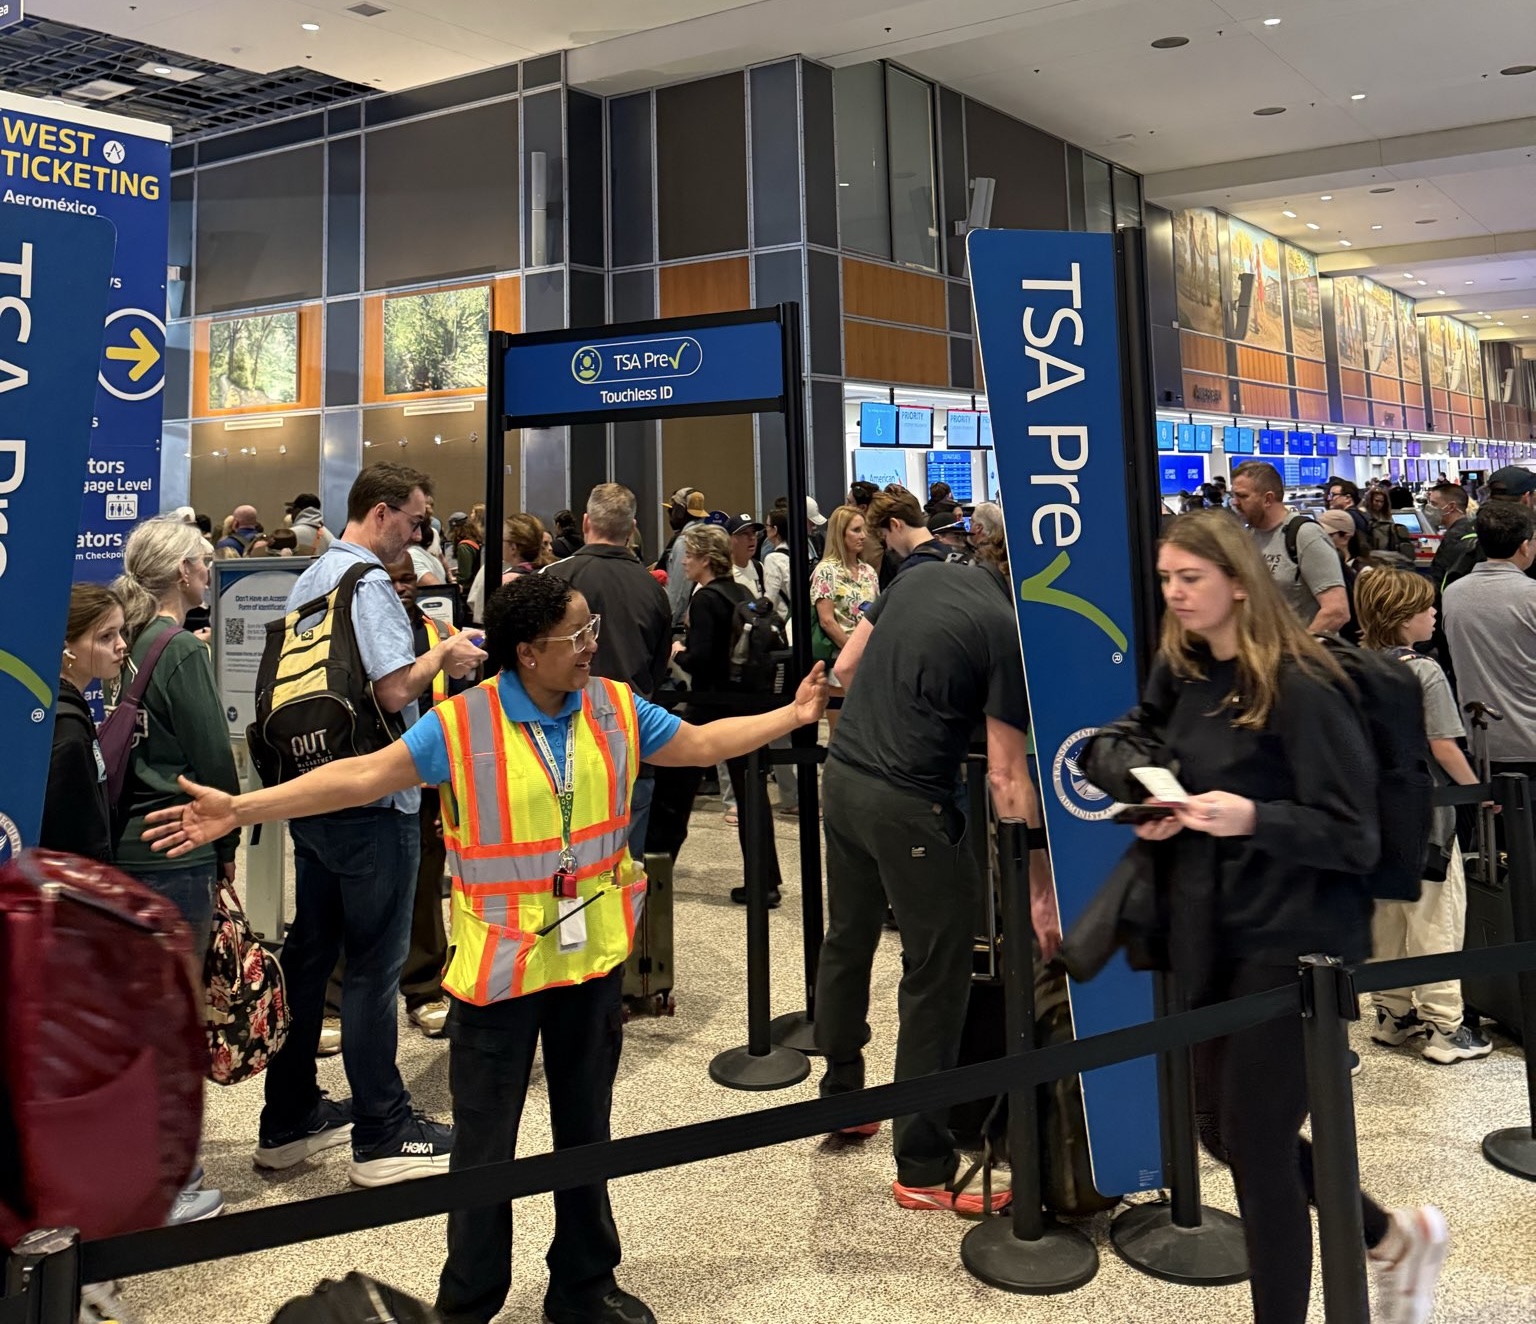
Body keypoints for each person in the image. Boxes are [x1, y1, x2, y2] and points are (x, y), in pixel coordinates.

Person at [143, 573, 829, 1324]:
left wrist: (788, 716)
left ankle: (585, 1284)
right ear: (528, 652)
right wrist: (242, 807)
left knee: (586, 1134)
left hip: (590, 963)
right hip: (498, 971)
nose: (593, 645)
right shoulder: (462, 724)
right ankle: (468, 1303)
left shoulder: (614, 705)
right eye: (578, 635)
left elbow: (698, 742)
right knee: (484, 1152)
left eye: (591, 627)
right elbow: (363, 775)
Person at [1118, 509, 1445, 1324]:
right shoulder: (1188, 673)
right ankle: (1390, 1236)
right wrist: (1153, 792)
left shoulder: (1302, 684)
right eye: (1167, 579)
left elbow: (1352, 832)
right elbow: (1133, 741)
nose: (1175, 594)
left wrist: (1251, 816)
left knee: (1260, 1152)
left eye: (1190, 578)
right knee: (1221, 1134)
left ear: (1238, 581)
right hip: (1214, 929)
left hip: (1296, 944)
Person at [257, 463, 487, 1190]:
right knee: (372, 969)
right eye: (416, 519)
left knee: (311, 955)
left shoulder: (310, 577)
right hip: (373, 797)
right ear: (382, 512)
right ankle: (383, 1131)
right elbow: (393, 688)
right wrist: (444, 653)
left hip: (315, 790)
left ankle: (287, 1118)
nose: (420, 533)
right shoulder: (369, 584)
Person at [813, 540, 1056, 1215]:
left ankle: (845, 1099)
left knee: (849, 936)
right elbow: (1007, 777)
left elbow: (847, 665)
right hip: (911, 804)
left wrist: (900, 714)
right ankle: (922, 1162)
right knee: (937, 972)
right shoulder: (1007, 631)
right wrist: (1039, 889)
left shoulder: (917, 578)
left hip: (845, 777)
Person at [110, 516, 243, 1225]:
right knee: (175, 1017)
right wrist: (228, 844)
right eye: (203, 560)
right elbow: (213, 762)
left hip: (124, 845)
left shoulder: (121, 640)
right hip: (178, 846)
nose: (211, 568)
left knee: (136, 1013)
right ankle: (171, 1180)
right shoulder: (182, 651)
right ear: (183, 571)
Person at [1353, 569, 1492, 1065]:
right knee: (1436, 916)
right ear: (1402, 616)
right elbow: (1441, 744)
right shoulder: (1424, 671)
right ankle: (1445, 1027)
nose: (1434, 614)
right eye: (1427, 607)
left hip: (1371, 814)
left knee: (1386, 917)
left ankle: (1392, 1013)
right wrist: (1476, 790)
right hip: (1425, 814)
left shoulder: (1353, 665)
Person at [648, 524, 786, 907]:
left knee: (674, 790)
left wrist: (679, 651)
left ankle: (655, 872)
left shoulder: (706, 598)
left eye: (689, 556)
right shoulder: (741, 591)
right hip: (745, 705)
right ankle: (765, 881)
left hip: (709, 707)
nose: (684, 563)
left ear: (705, 559)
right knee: (751, 796)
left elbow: (703, 659)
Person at [544, 483, 672, 855]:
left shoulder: (554, 578)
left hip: (558, 746)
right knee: (625, 875)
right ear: (632, 528)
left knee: (560, 876)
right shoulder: (653, 590)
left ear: (585, 522)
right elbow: (657, 666)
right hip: (631, 745)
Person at [1443, 501, 1536, 775]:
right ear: (1524, 546)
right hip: (1530, 742)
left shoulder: (1453, 593)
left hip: (1483, 743)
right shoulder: (1531, 595)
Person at [42, 585, 126, 862]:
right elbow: (73, 838)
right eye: (106, 637)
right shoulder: (66, 728)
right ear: (67, 648)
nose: (121, 644)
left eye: (120, 632)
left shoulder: (59, 708)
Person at [1230, 461, 1350, 633]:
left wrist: (1297, 650)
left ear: (1267, 499)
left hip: (1300, 655)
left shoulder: (1305, 535)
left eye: (1242, 496)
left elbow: (1336, 612)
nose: (1234, 503)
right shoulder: (1249, 537)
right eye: (1233, 495)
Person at [809, 505, 879, 676]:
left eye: (863, 530)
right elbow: (827, 621)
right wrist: (853, 654)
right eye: (856, 530)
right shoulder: (826, 571)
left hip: (871, 655)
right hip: (841, 659)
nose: (863, 536)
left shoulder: (868, 571)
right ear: (840, 534)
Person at [467, 513, 546, 624]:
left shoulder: (499, 579)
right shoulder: (551, 572)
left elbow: (480, 613)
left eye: (502, 539)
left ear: (513, 548)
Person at [864, 488, 955, 580]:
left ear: (895, 525)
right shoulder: (951, 553)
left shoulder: (911, 570)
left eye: (884, 536)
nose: (889, 547)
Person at [660, 487, 709, 625]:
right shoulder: (707, 536)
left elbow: (678, 592)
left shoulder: (685, 542)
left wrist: (667, 626)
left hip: (682, 625)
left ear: (680, 511)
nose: (669, 514)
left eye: (672, 509)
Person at [1362, 486, 1414, 561]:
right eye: (1376, 501)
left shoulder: (1387, 516)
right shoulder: (1364, 516)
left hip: (1388, 551)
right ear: (1370, 500)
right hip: (1372, 552)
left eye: (1382, 502)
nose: (1379, 504)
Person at [726, 512, 764, 597]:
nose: (752, 538)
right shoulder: (722, 572)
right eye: (744, 533)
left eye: (753, 532)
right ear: (728, 539)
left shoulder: (759, 567)